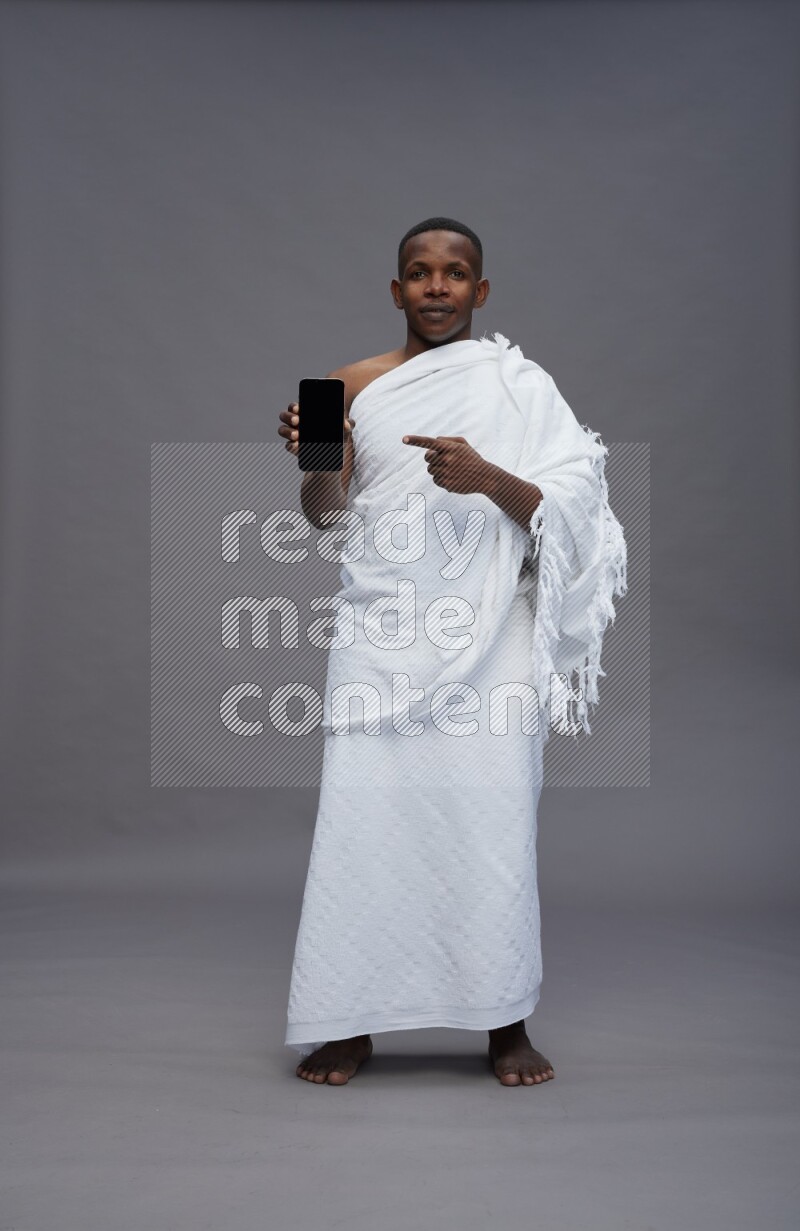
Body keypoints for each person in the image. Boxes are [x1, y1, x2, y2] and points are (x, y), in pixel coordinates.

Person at [277, 216, 627, 1086]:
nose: (438, 286)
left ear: (481, 290)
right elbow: (323, 514)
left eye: (456, 272)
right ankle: (348, 1021)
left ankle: (503, 1021)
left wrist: (488, 479)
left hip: (492, 636)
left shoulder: (519, 386)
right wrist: (333, 456)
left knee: (493, 815)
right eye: (420, 273)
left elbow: (579, 501)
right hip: (382, 630)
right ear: (396, 290)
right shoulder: (335, 387)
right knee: (364, 821)